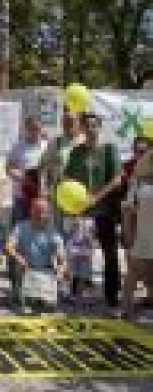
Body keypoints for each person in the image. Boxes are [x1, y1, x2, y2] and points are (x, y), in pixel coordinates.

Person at [63, 112, 124, 309]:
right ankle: (76, 293)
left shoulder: (109, 150)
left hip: (104, 211)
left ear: (99, 127)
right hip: (82, 212)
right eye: (87, 125)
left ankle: (112, 295)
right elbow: (68, 179)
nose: (91, 129)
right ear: (81, 128)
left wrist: (96, 198)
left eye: (94, 125)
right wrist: (74, 201)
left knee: (110, 253)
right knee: (79, 252)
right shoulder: (76, 152)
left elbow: (117, 180)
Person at [5, 198, 68, 311]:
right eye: (37, 211)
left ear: (48, 214)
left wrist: (61, 271)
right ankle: (22, 295)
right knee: (28, 305)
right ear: (31, 212)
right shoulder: (20, 227)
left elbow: (63, 259)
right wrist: (19, 258)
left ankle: (43, 297)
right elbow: (9, 247)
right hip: (25, 270)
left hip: (46, 272)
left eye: (43, 212)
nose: (40, 215)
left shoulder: (54, 233)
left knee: (48, 306)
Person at [121, 147, 153, 320]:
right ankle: (126, 310)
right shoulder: (138, 182)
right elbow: (128, 211)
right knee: (134, 272)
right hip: (142, 235)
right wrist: (127, 236)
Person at [7, 116, 48, 223]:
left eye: (37, 128)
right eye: (31, 128)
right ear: (26, 129)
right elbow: (9, 168)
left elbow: (51, 169)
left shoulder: (47, 146)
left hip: (41, 196)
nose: (34, 131)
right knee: (20, 226)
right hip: (22, 196)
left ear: (41, 129)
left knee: (40, 227)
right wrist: (21, 177)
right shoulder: (18, 146)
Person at [39, 110, 83, 198]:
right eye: (65, 122)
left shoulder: (85, 141)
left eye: (71, 121)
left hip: (80, 191)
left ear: (78, 123)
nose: (68, 125)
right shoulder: (56, 142)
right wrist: (43, 188)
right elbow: (42, 166)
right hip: (59, 191)